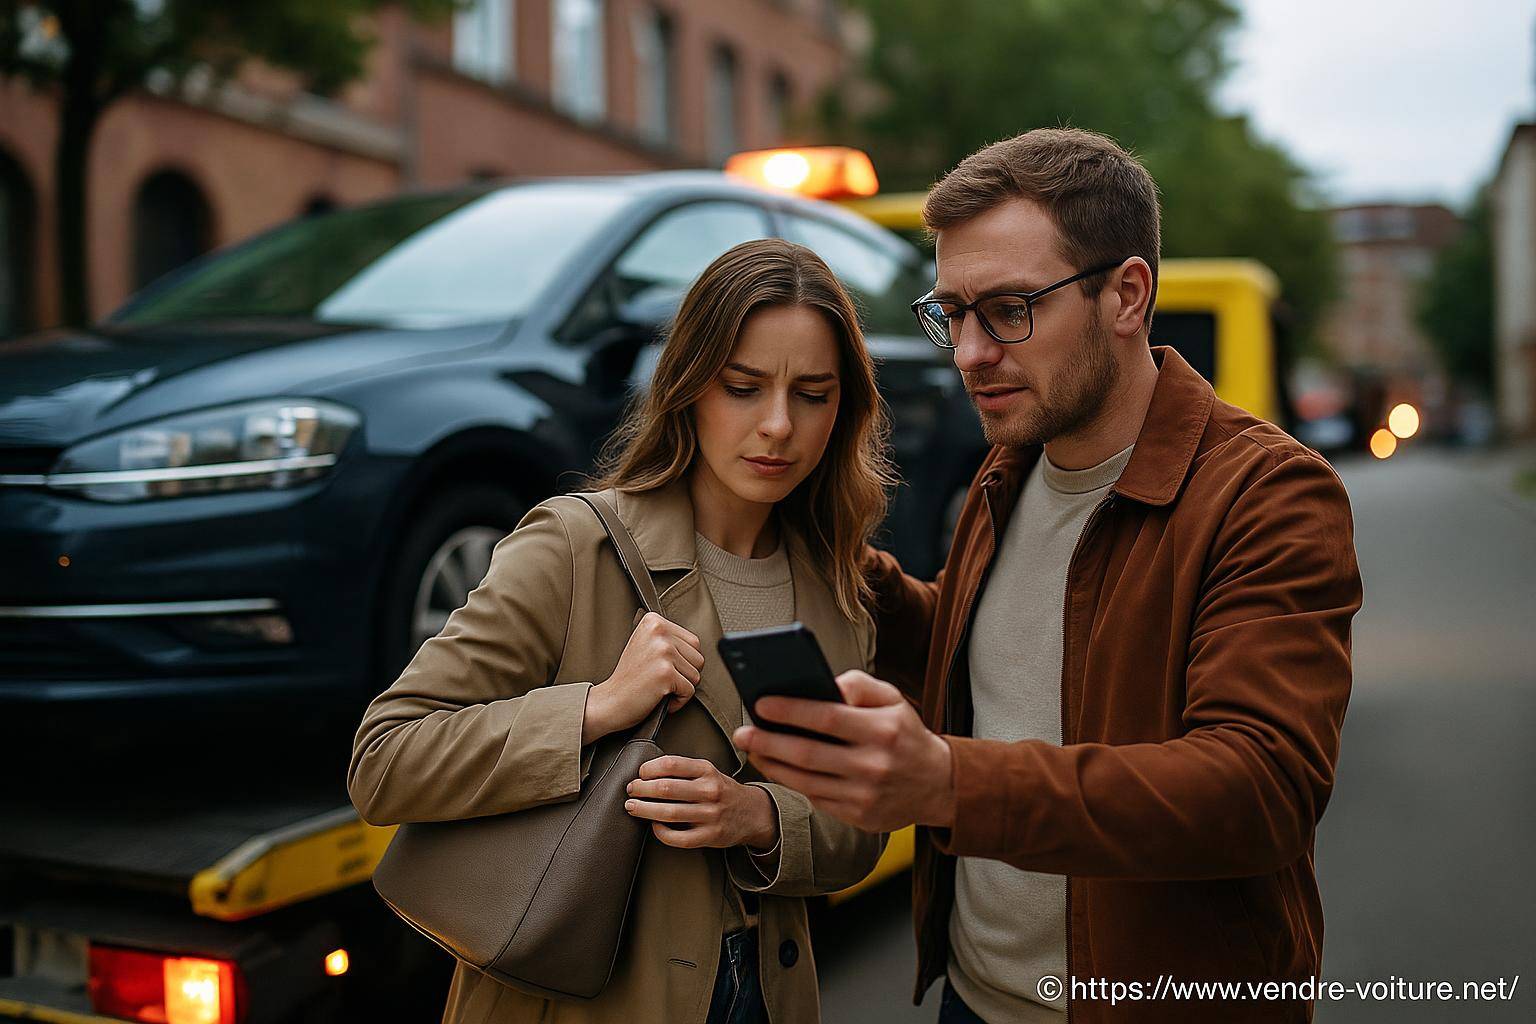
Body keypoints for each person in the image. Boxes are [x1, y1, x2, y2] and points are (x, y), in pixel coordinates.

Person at [733, 128, 1364, 1023]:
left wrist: (949, 784)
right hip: (972, 998)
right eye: (951, 313)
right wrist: (834, 558)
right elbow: (982, 653)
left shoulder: (1268, 494)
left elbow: (1258, 789)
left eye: (1009, 310)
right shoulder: (1015, 460)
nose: (969, 354)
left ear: (1127, 295)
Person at [348, 238, 893, 1024]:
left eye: (813, 393)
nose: (778, 425)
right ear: (688, 388)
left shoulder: (838, 592)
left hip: (764, 996)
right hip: (573, 1000)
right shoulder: (574, 548)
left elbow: (861, 832)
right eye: (743, 387)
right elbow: (384, 761)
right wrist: (594, 708)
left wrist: (760, 818)